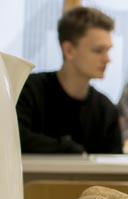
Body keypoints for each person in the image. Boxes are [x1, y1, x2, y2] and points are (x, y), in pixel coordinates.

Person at [16, 6, 122, 154]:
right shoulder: (28, 91)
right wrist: (67, 148)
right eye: (98, 50)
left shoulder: (106, 110)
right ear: (69, 50)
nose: (107, 59)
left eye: (108, 50)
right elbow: (13, 140)